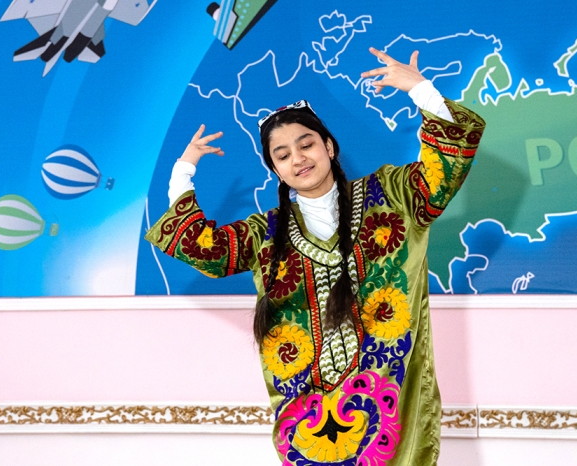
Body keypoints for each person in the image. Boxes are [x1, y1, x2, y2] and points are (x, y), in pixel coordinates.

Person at [145, 47, 485, 465]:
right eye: (282, 155)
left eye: (306, 144)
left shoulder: (394, 197)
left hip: (392, 414)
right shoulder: (265, 235)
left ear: (329, 146)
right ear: (275, 170)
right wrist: (183, 169)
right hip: (311, 428)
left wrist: (420, 89)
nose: (298, 158)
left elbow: (446, 166)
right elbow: (198, 245)